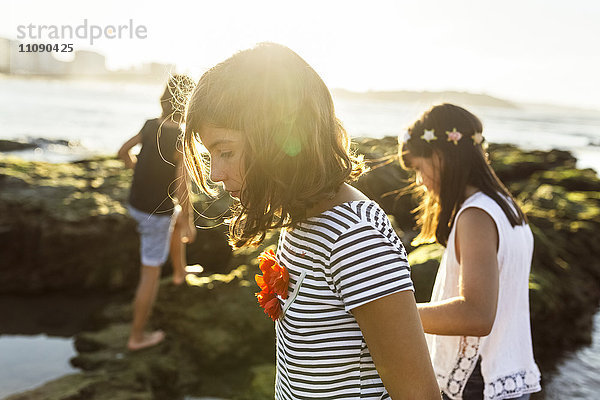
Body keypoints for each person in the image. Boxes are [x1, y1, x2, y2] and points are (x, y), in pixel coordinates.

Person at [181, 42, 440, 399]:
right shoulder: (299, 220)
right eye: (211, 155)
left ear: (276, 138)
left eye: (226, 151)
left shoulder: (355, 238)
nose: (216, 174)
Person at [399, 103, 541, 400]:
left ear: (439, 156)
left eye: (418, 169)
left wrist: (396, 315)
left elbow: (476, 315)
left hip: (477, 383)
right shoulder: (506, 205)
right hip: (507, 373)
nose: (420, 182)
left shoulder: (476, 215)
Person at [118, 75, 197, 351]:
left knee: (172, 218)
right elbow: (182, 184)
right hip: (155, 215)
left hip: (136, 203)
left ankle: (179, 272)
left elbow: (122, 151)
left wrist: (137, 169)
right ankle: (136, 337)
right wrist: (189, 220)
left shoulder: (151, 125)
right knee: (150, 275)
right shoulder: (181, 137)